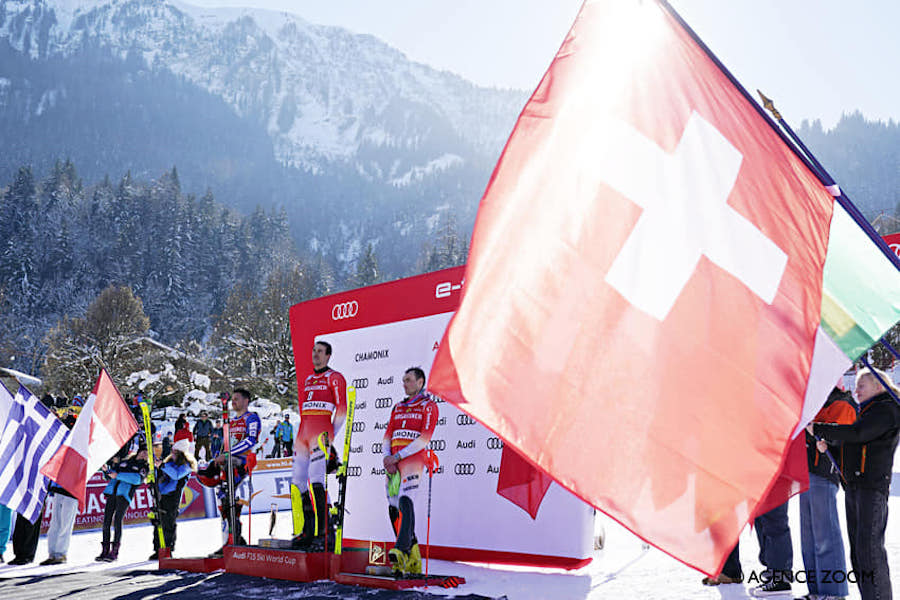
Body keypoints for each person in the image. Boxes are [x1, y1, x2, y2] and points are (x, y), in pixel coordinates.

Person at [810, 367, 900, 600]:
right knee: (859, 553)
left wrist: (820, 429)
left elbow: (859, 433)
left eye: (862, 385)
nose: (855, 390)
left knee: (869, 551)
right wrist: (832, 446)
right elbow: (856, 443)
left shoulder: (887, 409)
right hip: (855, 485)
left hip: (871, 487)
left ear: (878, 386)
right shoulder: (869, 411)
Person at [800, 387, 856, 600]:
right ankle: (815, 590)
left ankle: (833, 591)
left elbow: (840, 436)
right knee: (809, 536)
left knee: (825, 534)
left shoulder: (840, 403)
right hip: (806, 473)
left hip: (824, 474)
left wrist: (813, 427)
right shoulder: (814, 404)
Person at [382, 367, 439, 575]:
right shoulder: (398, 407)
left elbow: (424, 438)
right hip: (393, 462)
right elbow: (388, 434)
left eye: (408, 380)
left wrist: (398, 456)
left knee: (406, 499)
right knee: (393, 506)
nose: (404, 383)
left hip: (412, 459)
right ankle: (411, 553)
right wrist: (387, 457)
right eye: (403, 380)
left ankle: (402, 547)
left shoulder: (429, 405)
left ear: (420, 382)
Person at [290, 341, 347, 549]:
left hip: (320, 435)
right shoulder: (307, 379)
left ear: (328, 355)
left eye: (320, 351)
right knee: (297, 481)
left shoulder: (335, 378)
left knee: (316, 480)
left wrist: (330, 437)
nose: (315, 354)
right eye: (313, 350)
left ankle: (325, 534)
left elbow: (341, 410)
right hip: (303, 434)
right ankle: (308, 530)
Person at [197, 388, 260, 556]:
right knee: (224, 500)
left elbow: (250, 440)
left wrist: (228, 454)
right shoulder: (231, 422)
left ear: (246, 400)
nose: (234, 402)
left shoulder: (251, 418)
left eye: (237, 399)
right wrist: (218, 457)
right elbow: (226, 444)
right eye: (232, 399)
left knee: (229, 498)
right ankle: (233, 540)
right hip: (228, 462)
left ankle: (233, 540)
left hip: (241, 462)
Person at [96, 440, 149, 562]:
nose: (143, 455)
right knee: (106, 521)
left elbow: (137, 479)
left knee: (118, 521)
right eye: (142, 452)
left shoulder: (144, 467)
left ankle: (114, 551)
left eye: (146, 453)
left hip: (124, 495)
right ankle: (105, 550)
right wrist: (106, 470)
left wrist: (118, 476)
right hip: (112, 492)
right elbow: (111, 473)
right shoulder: (125, 462)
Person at [41, 410, 81, 565]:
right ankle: (52, 554)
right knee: (55, 523)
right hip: (58, 490)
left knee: (65, 523)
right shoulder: (61, 447)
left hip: (71, 491)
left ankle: (61, 554)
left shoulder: (79, 449)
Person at [150, 438, 198, 559]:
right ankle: (158, 548)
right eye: (172, 451)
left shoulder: (186, 466)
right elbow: (159, 475)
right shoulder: (169, 463)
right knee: (158, 523)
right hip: (161, 495)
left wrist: (163, 466)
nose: (172, 454)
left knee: (169, 523)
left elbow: (176, 475)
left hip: (173, 498)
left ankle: (168, 548)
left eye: (175, 452)